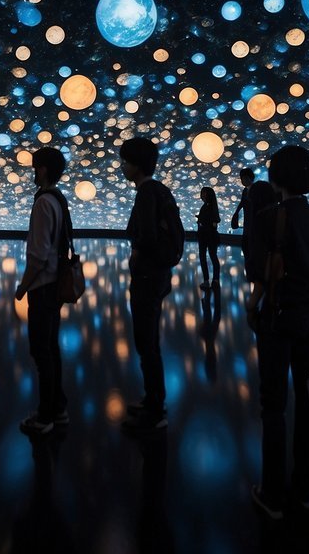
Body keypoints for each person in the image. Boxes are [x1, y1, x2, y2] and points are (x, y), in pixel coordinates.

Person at [246, 145, 309, 519]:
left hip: (276, 321)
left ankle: (272, 493)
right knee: (304, 400)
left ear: (276, 177)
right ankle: (303, 490)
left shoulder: (270, 217)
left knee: (273, 404)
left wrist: (251, 307)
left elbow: (259, 274)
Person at [119, 136, 177, 431]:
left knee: (146, 343)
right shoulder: (160, 190)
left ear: (137, 165)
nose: (122, 167)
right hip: (159, 276)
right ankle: (153, 400)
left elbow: (146, 236)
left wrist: (137, 255)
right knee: (150, 341)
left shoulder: (145, 194)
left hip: (146, 278)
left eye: (125, 161)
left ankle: (156, 410)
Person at [14, 147, 70, 437]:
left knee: (41, 350)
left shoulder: (43, 203)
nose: (32, 172)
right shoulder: (59, 200)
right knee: (51, 348)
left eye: (35, 167)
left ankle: (45, 415)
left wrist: (23, 287)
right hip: (55, 286)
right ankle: (58, 408)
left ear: (44, 169)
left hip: (43, 287)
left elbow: (39, 255)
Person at [197, 186, 221, 287]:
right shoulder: (206, 206)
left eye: (204, 193)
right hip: (204, 235)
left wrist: (202, 221)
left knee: (211, 256)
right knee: (208, 257)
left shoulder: (209, 207)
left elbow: (214, 222)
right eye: (202, 193)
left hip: (209, 235)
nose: (202, 195)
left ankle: (212, 280)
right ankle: (212, 280)